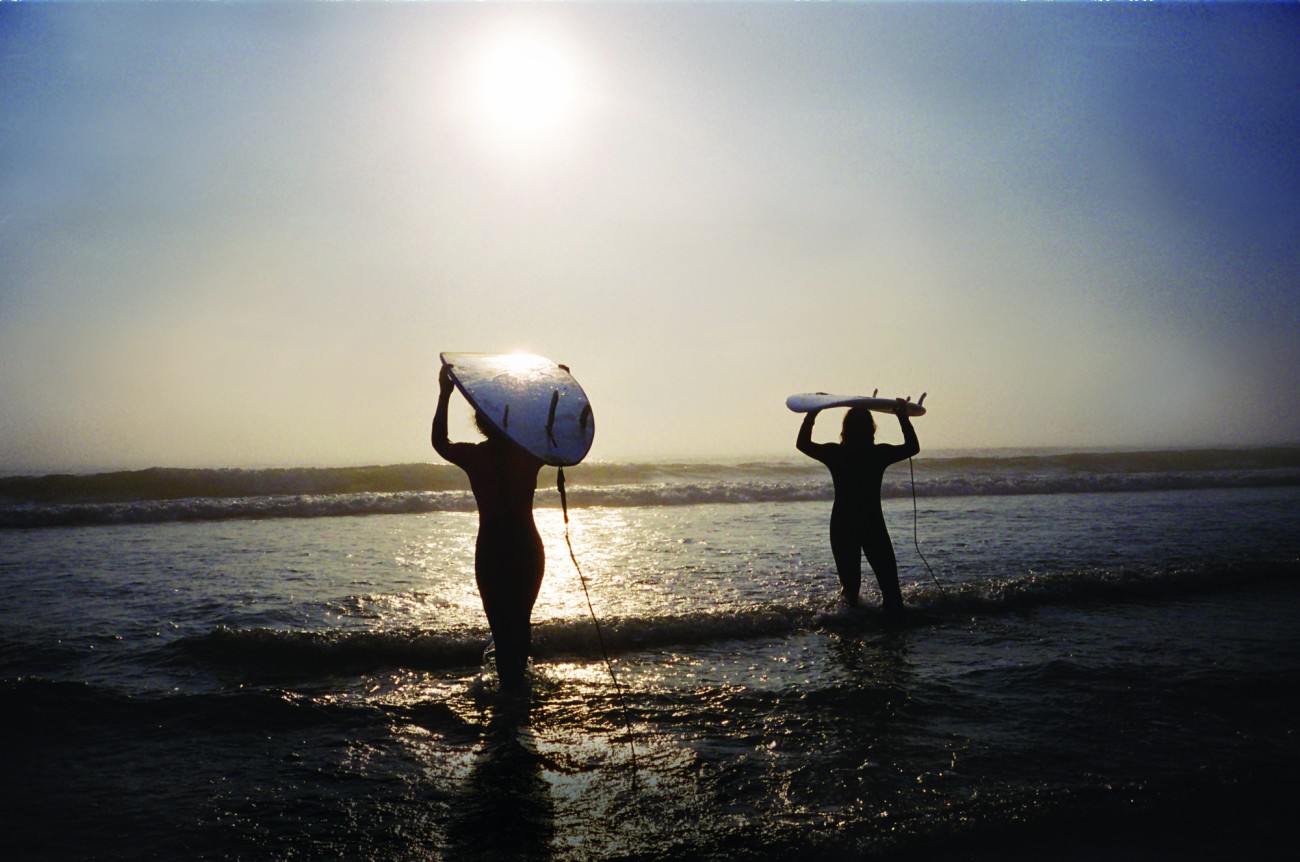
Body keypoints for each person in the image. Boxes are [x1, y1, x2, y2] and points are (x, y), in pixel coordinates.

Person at [433, 364, 545, 691]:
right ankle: (519, 693)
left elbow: (440, 442)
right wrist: (554, 397)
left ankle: (510, 700)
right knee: (520, 627)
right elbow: (556, 441)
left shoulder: (475, 457)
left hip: (494, 549)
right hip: (525, 546)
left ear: (481, 422)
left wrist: (445, 393)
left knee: (501, 629)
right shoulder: (529, 454)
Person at [796, 401, 919, 627]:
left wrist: (813, 412)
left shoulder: (836, 453)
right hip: (872, 524)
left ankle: (848, 648)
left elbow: (802, 444)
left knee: (850, 593)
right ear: (871, 429)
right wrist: (902, 417)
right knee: (891, 589)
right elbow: (912, 447)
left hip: (843, 525)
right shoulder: (878, 454)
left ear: (845, 429)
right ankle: (894, 641)